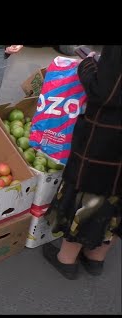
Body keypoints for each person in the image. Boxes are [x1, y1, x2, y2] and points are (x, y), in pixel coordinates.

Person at [42, 45, 122, 280]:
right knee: (117, 199)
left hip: (109, 137)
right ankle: (96, 258)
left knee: (90, 195)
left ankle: (66, 260)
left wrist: (87, 65)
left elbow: (105, 92)